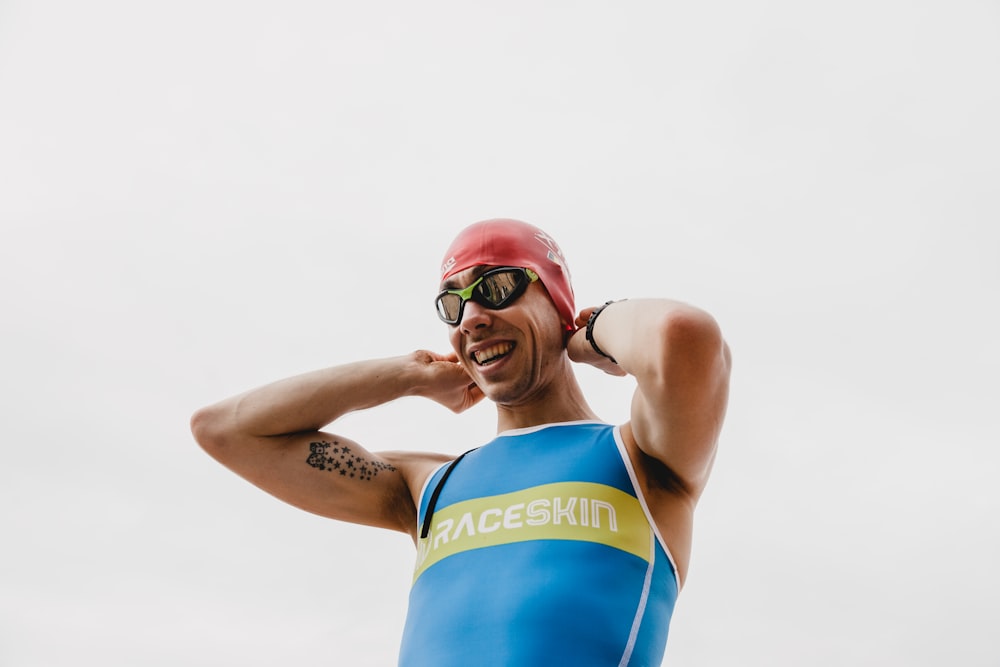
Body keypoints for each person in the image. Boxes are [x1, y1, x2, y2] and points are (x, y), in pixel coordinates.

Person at [190, 218, 731, 666]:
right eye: (453, 305)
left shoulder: (640, 460)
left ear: (557, 301)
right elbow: (227, 430)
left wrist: (589, 333)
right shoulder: (427, 487)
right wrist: (408, 375)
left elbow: (683, 335)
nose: (472, 317)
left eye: (497, 287)